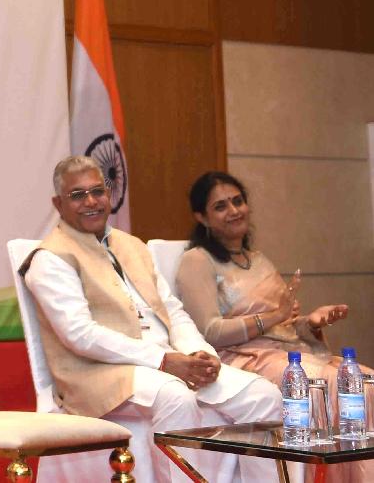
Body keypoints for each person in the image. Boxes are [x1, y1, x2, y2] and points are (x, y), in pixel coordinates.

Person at [21, 155, 281, 482]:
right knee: (176, 396)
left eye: (98, 191)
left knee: (265, 397)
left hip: (166, 362)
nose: (91, 201)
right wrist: (163, 361)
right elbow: (80, 335)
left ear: (109, 195)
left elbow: (171, 310)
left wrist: (200, 354)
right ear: (58, 204)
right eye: (77, 195)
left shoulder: (132, 246)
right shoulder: (50, 259)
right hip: (100, 374)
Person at [176, 170, 374, 480]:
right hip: (242, 357)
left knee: (363, 379)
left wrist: (311, 322)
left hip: (287, 353)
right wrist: (273, 316)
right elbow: (210, 331)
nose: (234, 210)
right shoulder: (197, 260)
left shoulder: (258, 259)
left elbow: (285, 326)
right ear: (201, 217)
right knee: (323, 383)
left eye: (238, 201)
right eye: (220, 206)